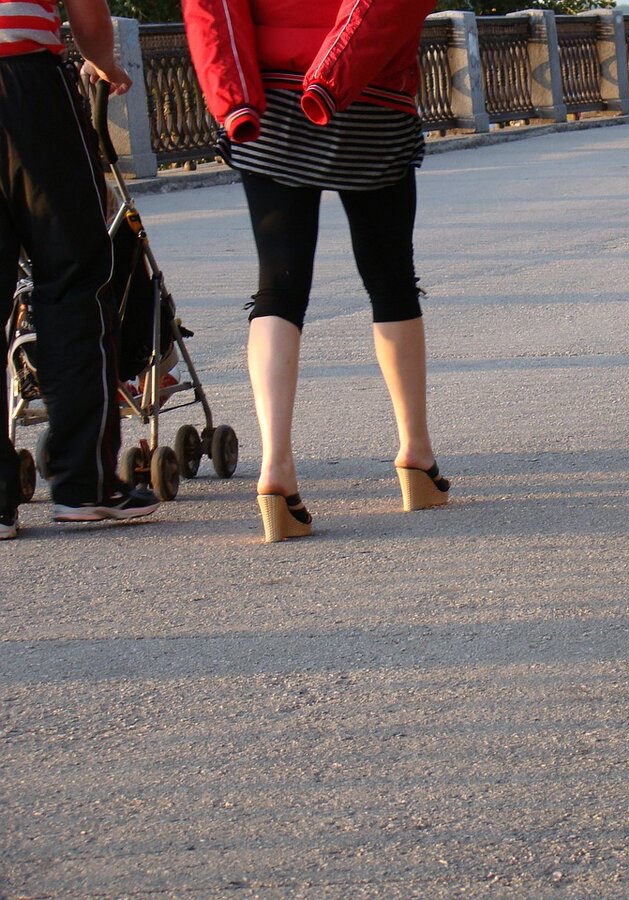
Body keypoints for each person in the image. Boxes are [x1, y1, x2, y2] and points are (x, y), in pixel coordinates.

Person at [183, 0, 447, 543]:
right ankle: (416, 458)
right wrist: (334, 75)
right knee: (391, 282)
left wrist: (231, 100)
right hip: (371, 94)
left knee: (277, 288)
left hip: (267, 104)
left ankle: (276, 468)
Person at [0, 0, 160, 540]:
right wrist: (105, 64)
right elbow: (87, 15)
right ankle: (82, 485)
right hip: (28, 86)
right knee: (73, 279)